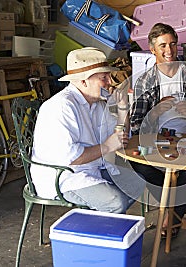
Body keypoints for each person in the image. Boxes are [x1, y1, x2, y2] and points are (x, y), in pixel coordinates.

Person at [30, 47, 145, 213]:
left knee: (137, 184)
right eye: (103, 78)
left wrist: (122, 108)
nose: (109, 83)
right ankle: (98, 231)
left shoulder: (97, 104)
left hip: (92, 167)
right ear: (83, 81)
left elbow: (120, 137)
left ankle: (101, 223)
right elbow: (72, 158)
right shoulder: (62, 107)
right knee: (115, 202)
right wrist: (106, 146)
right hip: (64, 175)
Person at [129, 23, 186, 237]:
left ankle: (171, 216)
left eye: (173, 44)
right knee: (137, 164)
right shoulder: (146, 80)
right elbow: (135, 125)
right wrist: (156, 112)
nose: (169, 51)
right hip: (158, 140)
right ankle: (178, 207)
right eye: (162, 46)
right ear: (152, 49)